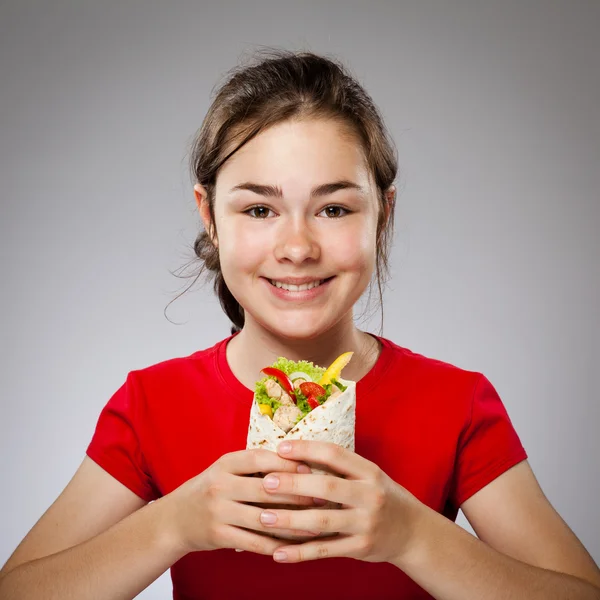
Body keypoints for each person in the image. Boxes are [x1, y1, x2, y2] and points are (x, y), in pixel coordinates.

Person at [1, 49, 599, 600]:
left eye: (334, 208)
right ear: (209, 216)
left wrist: (414, 536)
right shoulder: (152, 404)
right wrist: (171, 525)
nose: (296, 247)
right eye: (259, 209)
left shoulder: (457, 402)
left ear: (382, 216)